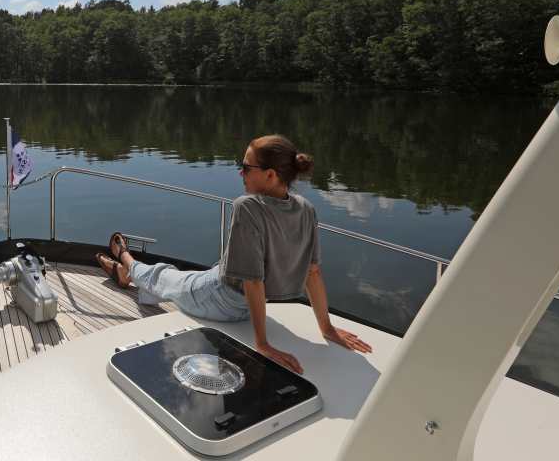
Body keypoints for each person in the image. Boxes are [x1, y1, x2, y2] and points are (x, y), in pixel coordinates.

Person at [96, 134, 372, 374]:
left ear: (270, 175)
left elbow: (253, 280)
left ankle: (126, 260)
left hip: (219, 298)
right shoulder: (306, 208)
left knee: (166, 277)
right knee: (181, 279)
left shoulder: (248, 207)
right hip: (251, 306)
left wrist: (262, 344)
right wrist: (327, 329)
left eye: (245, 167)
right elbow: (313, 272)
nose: (240, 173)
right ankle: (128, 276)